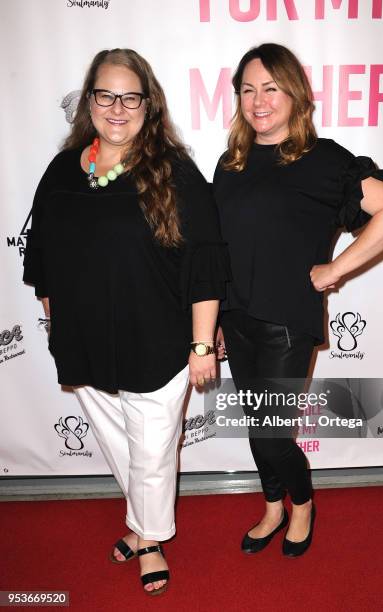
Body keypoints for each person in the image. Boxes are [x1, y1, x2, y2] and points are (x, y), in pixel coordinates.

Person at [23, 48, 229, 595]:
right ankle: (141, 522)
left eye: (130, 96)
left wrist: (202, 345)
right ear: (89, 101)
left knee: (154, 449)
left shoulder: (175, 171)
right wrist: (52, 308)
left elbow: (205, 262)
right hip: (85, 338)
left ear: (148, 104)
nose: (117, 107)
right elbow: (41, 246)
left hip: (158, 339)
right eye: (105, 95)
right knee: (118, 442)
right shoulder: (64, 169)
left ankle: (150, 538)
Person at [213, 43, 383, 558]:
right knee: (258, 428)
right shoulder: (230, 163)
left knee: (275, 434)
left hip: (285, 323)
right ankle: (273, 505)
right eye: (248, 89)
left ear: (295, 94)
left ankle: (301, 503)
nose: (259, 100)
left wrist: (334, 270)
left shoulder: (324, 160)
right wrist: (211, 316)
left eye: (271, 88)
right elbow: (217, 247)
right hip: (234, 317)